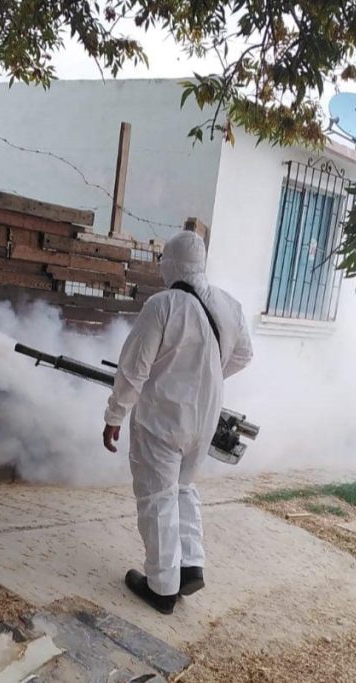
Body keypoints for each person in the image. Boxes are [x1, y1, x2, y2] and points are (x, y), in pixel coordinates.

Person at [103, 230, 253, 614]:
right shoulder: (230, 305)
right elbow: (243, 355)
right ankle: (190, 566)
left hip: (163, 419)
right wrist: (207, 376)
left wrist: (115, 415)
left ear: (170, 264)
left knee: (157, 497)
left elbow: (134, 369)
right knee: (183, 488)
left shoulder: (162, 305)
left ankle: (161, 586)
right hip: (204, 420)